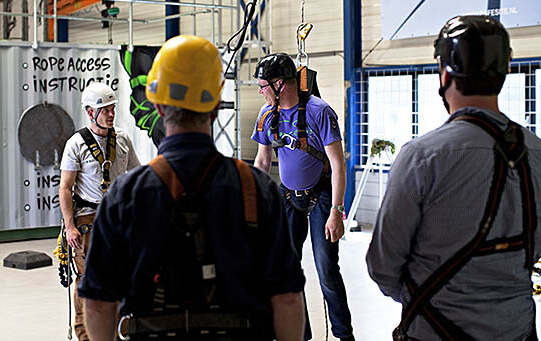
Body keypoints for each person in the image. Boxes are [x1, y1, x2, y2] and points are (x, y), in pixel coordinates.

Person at [79, 35, 306, 341]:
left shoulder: (125, 195)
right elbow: (288, 298)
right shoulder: (257, 189)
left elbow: (96, 304)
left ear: (157, 105)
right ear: (215, 104)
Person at [366, 15, 541, 340]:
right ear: (504, 71)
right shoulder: (537, 152)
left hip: (434, 329)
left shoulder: (422, 156)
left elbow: (383, 264)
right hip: (518, 330)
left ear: (445, 73)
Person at [252, 53, 355, 341]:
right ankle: (301, 334)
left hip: (321, 195)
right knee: (286, 270)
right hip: (288, 198)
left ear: (280, 84)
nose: (260, 92)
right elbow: (262, 162)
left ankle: (345, 336)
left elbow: (337, 163)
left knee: (326, 270)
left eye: (263, 86)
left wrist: (336, 211)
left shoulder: (319, 112)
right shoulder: (266, 115)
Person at [59, 82, 141, 341]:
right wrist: (70, 227)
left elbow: (136, 176)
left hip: (118, 218)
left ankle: (120, 332)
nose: (110, 113)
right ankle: (86, 336)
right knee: (88, 280)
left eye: (112, 108)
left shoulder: (123, 139)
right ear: (90, 112)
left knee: (123, 276)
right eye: (104, 109)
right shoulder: (76, 144)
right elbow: (65, 187)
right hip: (88, 220)